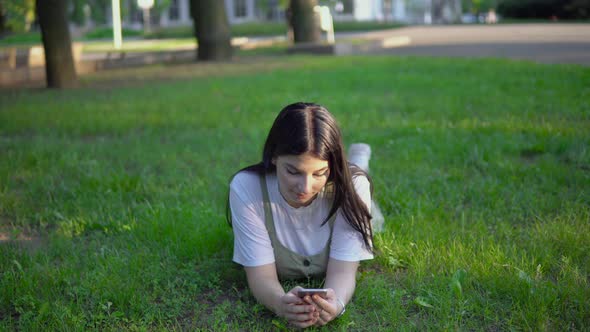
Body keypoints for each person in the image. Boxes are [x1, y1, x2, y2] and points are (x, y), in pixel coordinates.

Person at [227, 102, 376, 328]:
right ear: (274, 156)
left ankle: (359, 162)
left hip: (351, 187)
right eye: (293, 171)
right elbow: (261, 277)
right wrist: (280, 303)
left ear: (331, 167)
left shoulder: (351, 188)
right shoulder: (247, 188)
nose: (305, 187)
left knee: (371, 206)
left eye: (319, 173)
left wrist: (337, 304)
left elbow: (344, 271)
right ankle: (354, 162)